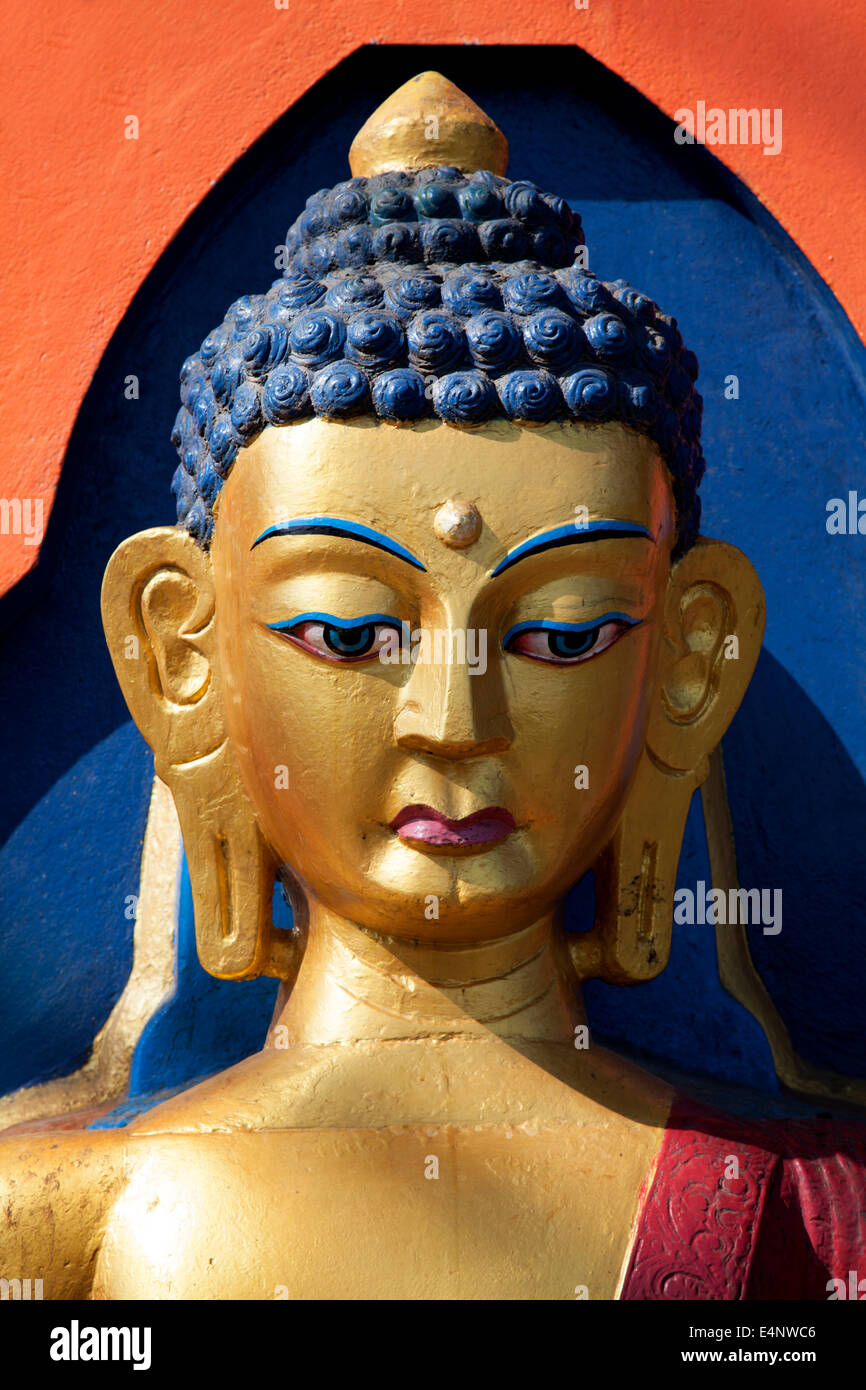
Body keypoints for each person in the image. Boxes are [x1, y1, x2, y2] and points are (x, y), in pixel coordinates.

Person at [1, 72, 863, 1301]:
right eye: (348, 633)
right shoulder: (60, 1230)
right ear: (182, 657)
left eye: (561, 637)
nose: (452, 724)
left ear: (685, 659)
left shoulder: (810, 1224)